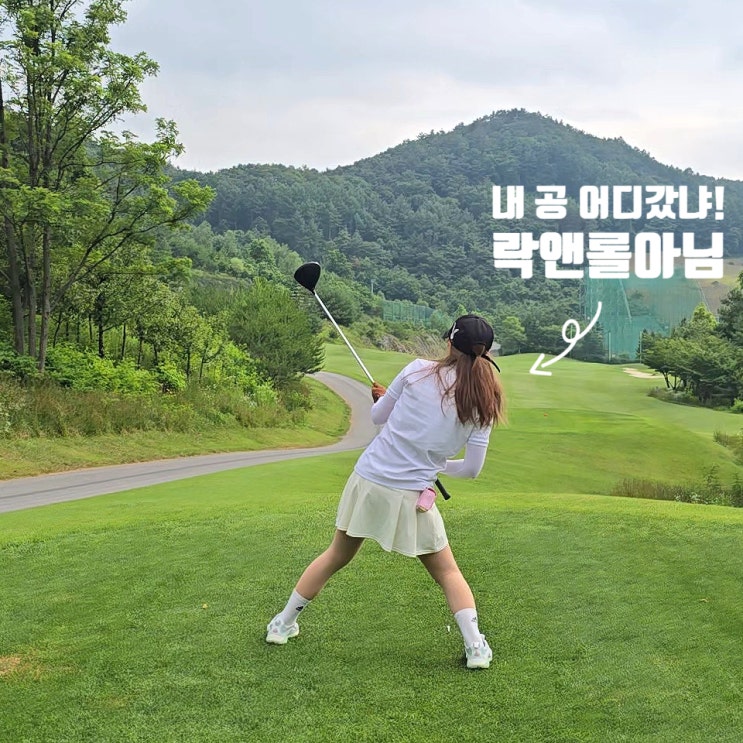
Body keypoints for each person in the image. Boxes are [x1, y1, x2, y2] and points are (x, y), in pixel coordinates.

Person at [265, 314, 506, 669]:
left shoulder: (416, 370)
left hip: (369, 479)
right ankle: (475, 648)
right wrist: (437, 466)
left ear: (449, 343)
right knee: (447, 573)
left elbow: (379, 417)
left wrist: (381, 399)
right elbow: (471, 470)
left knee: (336, 555)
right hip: (411, 494)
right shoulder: (485, 402)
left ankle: (282, 624)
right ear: (484, 353)